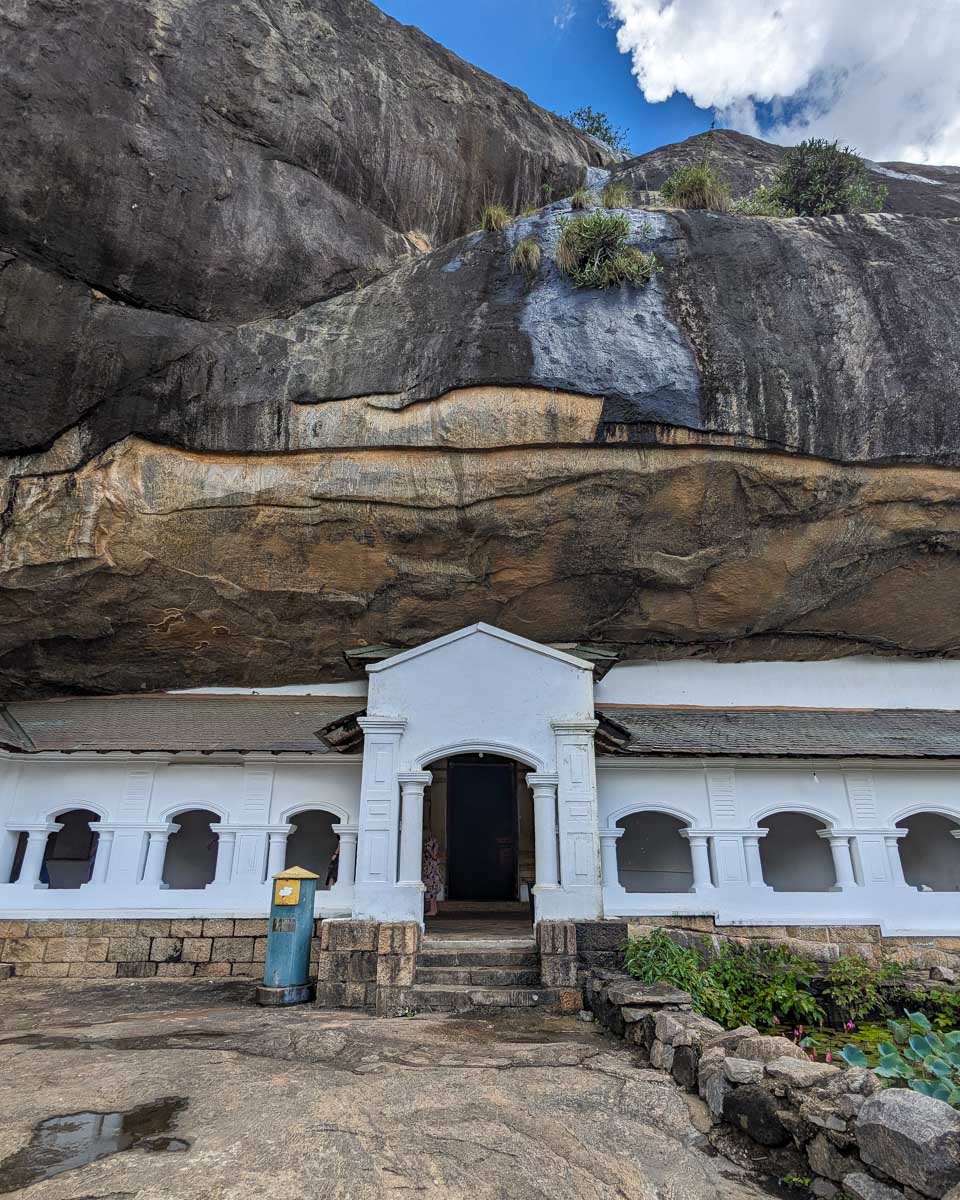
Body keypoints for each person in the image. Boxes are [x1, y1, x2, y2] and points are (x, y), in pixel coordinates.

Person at [422, 834, 442, 918]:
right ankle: (434, 909)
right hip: (432, 868)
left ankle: (432, 909)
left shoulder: (430, 841)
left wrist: (433, 855)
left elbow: (429, 849)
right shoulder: (433, 840)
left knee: (431, 888)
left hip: (430, 869)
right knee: (433, 888)